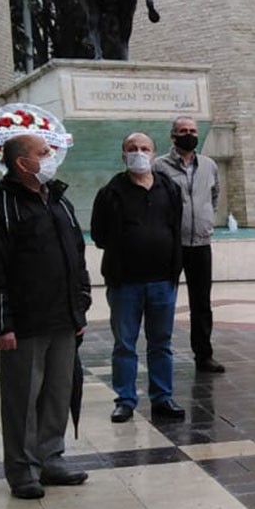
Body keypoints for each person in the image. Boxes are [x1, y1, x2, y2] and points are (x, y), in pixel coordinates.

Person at [0, 132, 92, 499]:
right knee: (22, 398)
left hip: (63, 317)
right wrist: (0, 323)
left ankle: (51, 457)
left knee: (58, 392)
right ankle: (23, 469)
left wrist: (81, 303)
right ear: (22, 163)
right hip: (24, 322)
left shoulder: (59, 200)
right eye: (43, 152)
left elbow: (76, 253)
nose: (51, 156)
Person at [91, 132, 186, 424]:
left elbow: (175, 227)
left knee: (161, 342)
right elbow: (99, 235)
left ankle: (162, 397)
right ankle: (125, 399)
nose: (139, 153)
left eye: (144, 148)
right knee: (125, 344)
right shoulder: (110, 193)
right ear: (123, 155)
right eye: (132, 149)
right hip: (125, 283)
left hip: (162, 281)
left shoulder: (168, 188)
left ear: (154, 154)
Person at [155, 114, 224, 373]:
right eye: (183, 131)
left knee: (202, 303)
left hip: (201, 244)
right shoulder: (159, 166)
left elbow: (214, 196)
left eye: (192, 130)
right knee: (163, 300)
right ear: (173, 136)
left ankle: (204, 355)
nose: (189, 134)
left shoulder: (209, 165)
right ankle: (161, 354)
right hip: (171, 245)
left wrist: (207, 220)